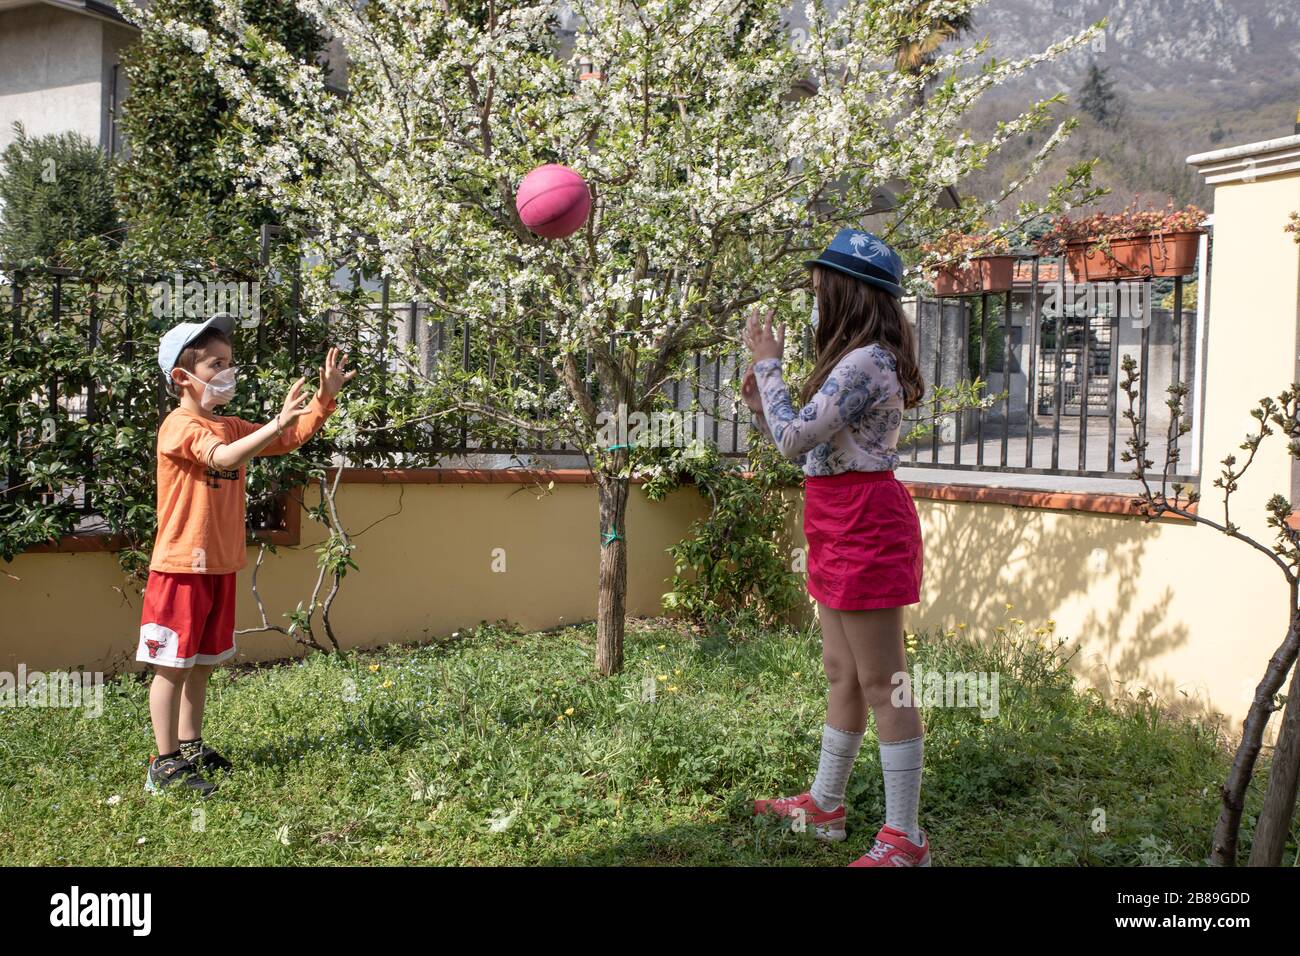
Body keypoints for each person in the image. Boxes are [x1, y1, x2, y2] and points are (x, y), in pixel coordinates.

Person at [742, 228, 929, 866]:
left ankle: (907, 837)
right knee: (843, 671)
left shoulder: (866, 362)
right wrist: (763, 403)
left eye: (824, 285)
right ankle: (826, 805)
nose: (817, 295)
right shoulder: (857, 359)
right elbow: (804, 448)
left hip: (865, 521)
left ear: (848, 291)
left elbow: (794, 441)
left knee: (885, 681)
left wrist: (769, 365)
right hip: (835, 513)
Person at [139, 312, 356, 795]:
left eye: (230, 362)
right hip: (179, 569)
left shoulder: (228, 424)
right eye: (217, 364)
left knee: (201, 662)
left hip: (219, 565)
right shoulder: (179, 426)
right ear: (183, 376)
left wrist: (323, 398)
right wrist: (275, 421)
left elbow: (286, 438)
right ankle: (164, 761)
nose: (228, 372)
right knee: (172, 667)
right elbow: (222, 458)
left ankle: (190, 745)